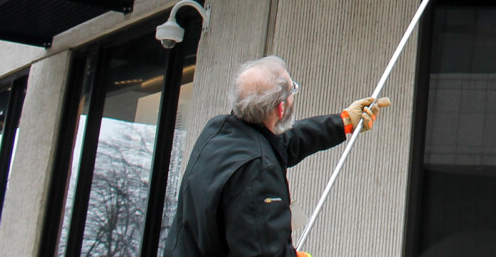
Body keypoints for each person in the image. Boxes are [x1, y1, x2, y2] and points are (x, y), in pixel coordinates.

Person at [162, 55, 391, 257]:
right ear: (281, 109)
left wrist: (343, 122)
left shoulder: (218, 132)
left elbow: (282, 142)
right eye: (293, 90)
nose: (294, 95)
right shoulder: (257, 171)